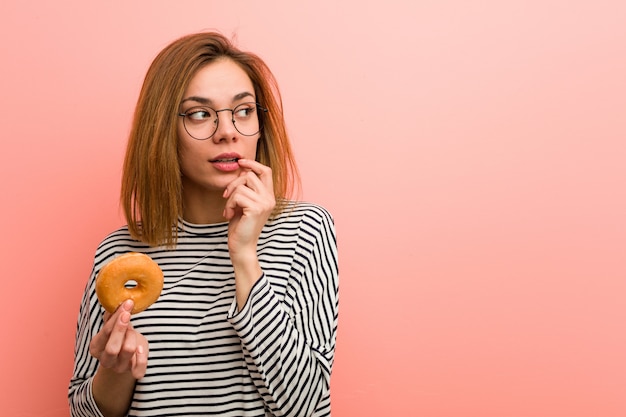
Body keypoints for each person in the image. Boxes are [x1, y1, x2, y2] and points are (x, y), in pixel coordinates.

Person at [68, 32, 339, 417]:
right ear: (163, 131)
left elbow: (307, 408)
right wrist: (117, 371)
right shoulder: (119, 252)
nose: (227, 131)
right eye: (200, 114)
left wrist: (245, 255)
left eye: (243, 111)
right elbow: (84, 411)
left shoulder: (304, 231)